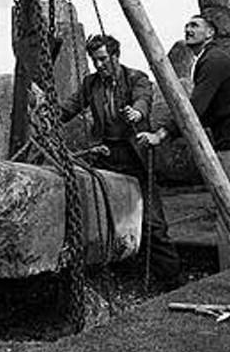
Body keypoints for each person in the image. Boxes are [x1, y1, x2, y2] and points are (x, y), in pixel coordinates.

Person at [139, 14, 230, 271]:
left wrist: (162, 133)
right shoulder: (206, 61)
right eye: (186, 25)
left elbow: (195, 109)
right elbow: (203, 111)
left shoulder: (213, 61)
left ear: (210, 33)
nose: (188, 29)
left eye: (195, 25)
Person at [59, 33, 181, 289]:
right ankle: (120, 276)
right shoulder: (91, 84)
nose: (99, 65)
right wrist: (48, 113)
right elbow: (69, 108)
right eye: (95, 60)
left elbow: (143, 99)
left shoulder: (136, 77)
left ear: (116, 55)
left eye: (103, 59)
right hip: (107, 157)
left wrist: (137, 112)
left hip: (135, 157)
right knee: (109, 220)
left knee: (152, 222)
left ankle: (170, 280)